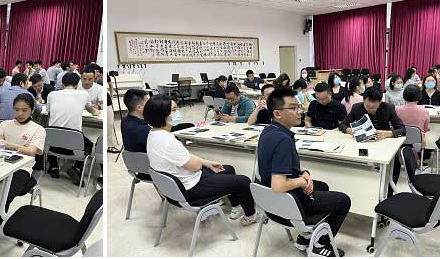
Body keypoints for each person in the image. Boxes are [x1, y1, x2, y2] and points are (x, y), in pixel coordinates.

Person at [258, 87, 350, 256]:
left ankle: (305, 237)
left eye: (298, 106)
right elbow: (278, 186)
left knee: (322, 186)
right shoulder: (283, 141)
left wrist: (304, 173)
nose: (299, 111)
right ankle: (319, 244)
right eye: (293, 108)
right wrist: (302, 181)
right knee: (343, 201)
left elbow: (284, 166)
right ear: (277, 114)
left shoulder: (269, 131)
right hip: (286, 202)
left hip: (270, 201)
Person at [144, 94, 257, 224]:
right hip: (190, 188)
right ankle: (251, 216)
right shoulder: (168, 141)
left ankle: (236, 206)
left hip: (178, 185)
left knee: (228, 169)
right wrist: (202, 164)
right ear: (162, 115)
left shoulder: (153, 134)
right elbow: (195, 166)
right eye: (174, 110)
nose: (178, 113)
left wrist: (207, 163)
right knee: (244, 182)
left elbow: (185, 158)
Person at [0, 93, 46, 210]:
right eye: (16, 110)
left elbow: (31, 151)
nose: (20, 113)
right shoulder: (5, 124)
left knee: (6, 193)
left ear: (32, 110)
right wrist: (22, 147)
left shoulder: (38, 129)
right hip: (1, 162)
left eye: (24, 110)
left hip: (22, 167)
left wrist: (6, 143)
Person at [45, 72, 98, 182]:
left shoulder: (52, 94)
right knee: (89, 144)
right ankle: (76, 168)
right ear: (77, 84)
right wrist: (95, 111)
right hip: (73, 148)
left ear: (62, 84)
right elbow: (91, 109)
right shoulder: (84, 94)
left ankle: (54, 167)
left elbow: (49, 114)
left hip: (51, 146)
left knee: (52, 132)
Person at [340, 87, 405, 137]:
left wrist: (389, 133)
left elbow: (402, 129)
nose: (370, 109)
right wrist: (349, 130)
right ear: (363, 100)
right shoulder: (357, 108)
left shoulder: (388, 108)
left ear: (380, 102)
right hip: (363, 140)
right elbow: (342, 124)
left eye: (374, 108)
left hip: (383, 141)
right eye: (367, 106)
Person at [396, 84, 430, 153]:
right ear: (419, 96)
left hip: (399, 141)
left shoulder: (397, 109)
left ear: (404, 96)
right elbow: (425, 129)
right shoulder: (425, 111)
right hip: (417, 143)